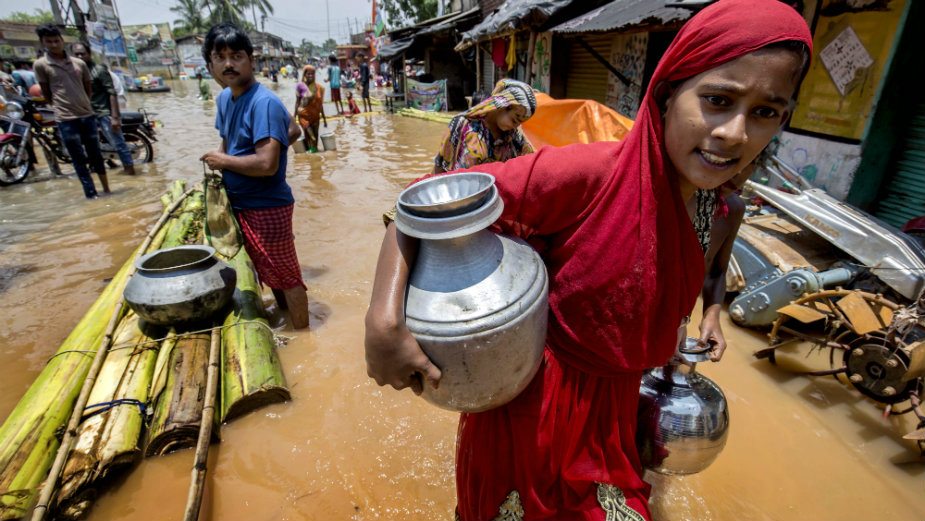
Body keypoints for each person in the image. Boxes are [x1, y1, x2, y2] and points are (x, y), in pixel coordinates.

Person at [364, 1, 812, 519]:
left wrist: (703, 319)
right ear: (667, 94)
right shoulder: (587, 176)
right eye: (717, 100)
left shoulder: (721, 204)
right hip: (533, 410)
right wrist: (382, 322)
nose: (735, 133)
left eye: (764, 113)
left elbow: (700, 273)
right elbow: (423, 202)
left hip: (617, 412)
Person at [199, 23, 309, 330]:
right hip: (240, 203)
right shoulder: (224, 99)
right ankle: (286, 318)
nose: (229, 64)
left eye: (236, 56)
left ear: (251, 60)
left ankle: (303, 333)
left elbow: (267, 164)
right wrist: (222, 166)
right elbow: (228, 141)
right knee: (269, 271)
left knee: (287, 276)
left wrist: (222, 160)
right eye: (220, 57)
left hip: (267, 205)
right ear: (211, 65)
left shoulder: (264, 102)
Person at [33, 24, 110, 198]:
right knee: (78, 159)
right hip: (66, 118)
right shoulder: (41, 65)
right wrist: (60, 107)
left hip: (86, 114)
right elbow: (46, 93)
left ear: (62, 40)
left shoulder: (79, 63)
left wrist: (83, 103)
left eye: (56, 40)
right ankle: (91, 194)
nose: (53, 45)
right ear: (43, 43)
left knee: (95, 154)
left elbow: (87, 88)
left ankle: (106, 188)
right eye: (49, 42)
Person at [433, 79, 536, 174]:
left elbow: (532, 162)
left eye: (520, 123)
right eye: (514, 120)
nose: (515, 126)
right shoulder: (462, 125)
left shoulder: (514, 136)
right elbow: (440, 164)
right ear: (503, 105)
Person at [72, 43, 135, 176]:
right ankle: (101, 167)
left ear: (88, 53)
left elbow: (112, 93)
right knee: (91, 145)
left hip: (104, 113)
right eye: (76, 54)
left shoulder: (99, 70)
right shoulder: (76, 72)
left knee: (118, 143)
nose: (80, 56)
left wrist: (115, 117)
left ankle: (129, 170)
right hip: (87, 114)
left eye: (82, 53)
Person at [294, 64, 326, 152]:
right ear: (304, 75)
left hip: (315, 116)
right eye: (308, 73)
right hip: (304, 115)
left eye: (312, 73)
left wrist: (324, 118)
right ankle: (312, 152)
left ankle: (314, 156)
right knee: (310, 136)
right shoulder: (300, 87)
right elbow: (297, 102)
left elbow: (320, 104)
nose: (310, 75)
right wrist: (294, 117)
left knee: (315, 135)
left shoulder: (319, 88)